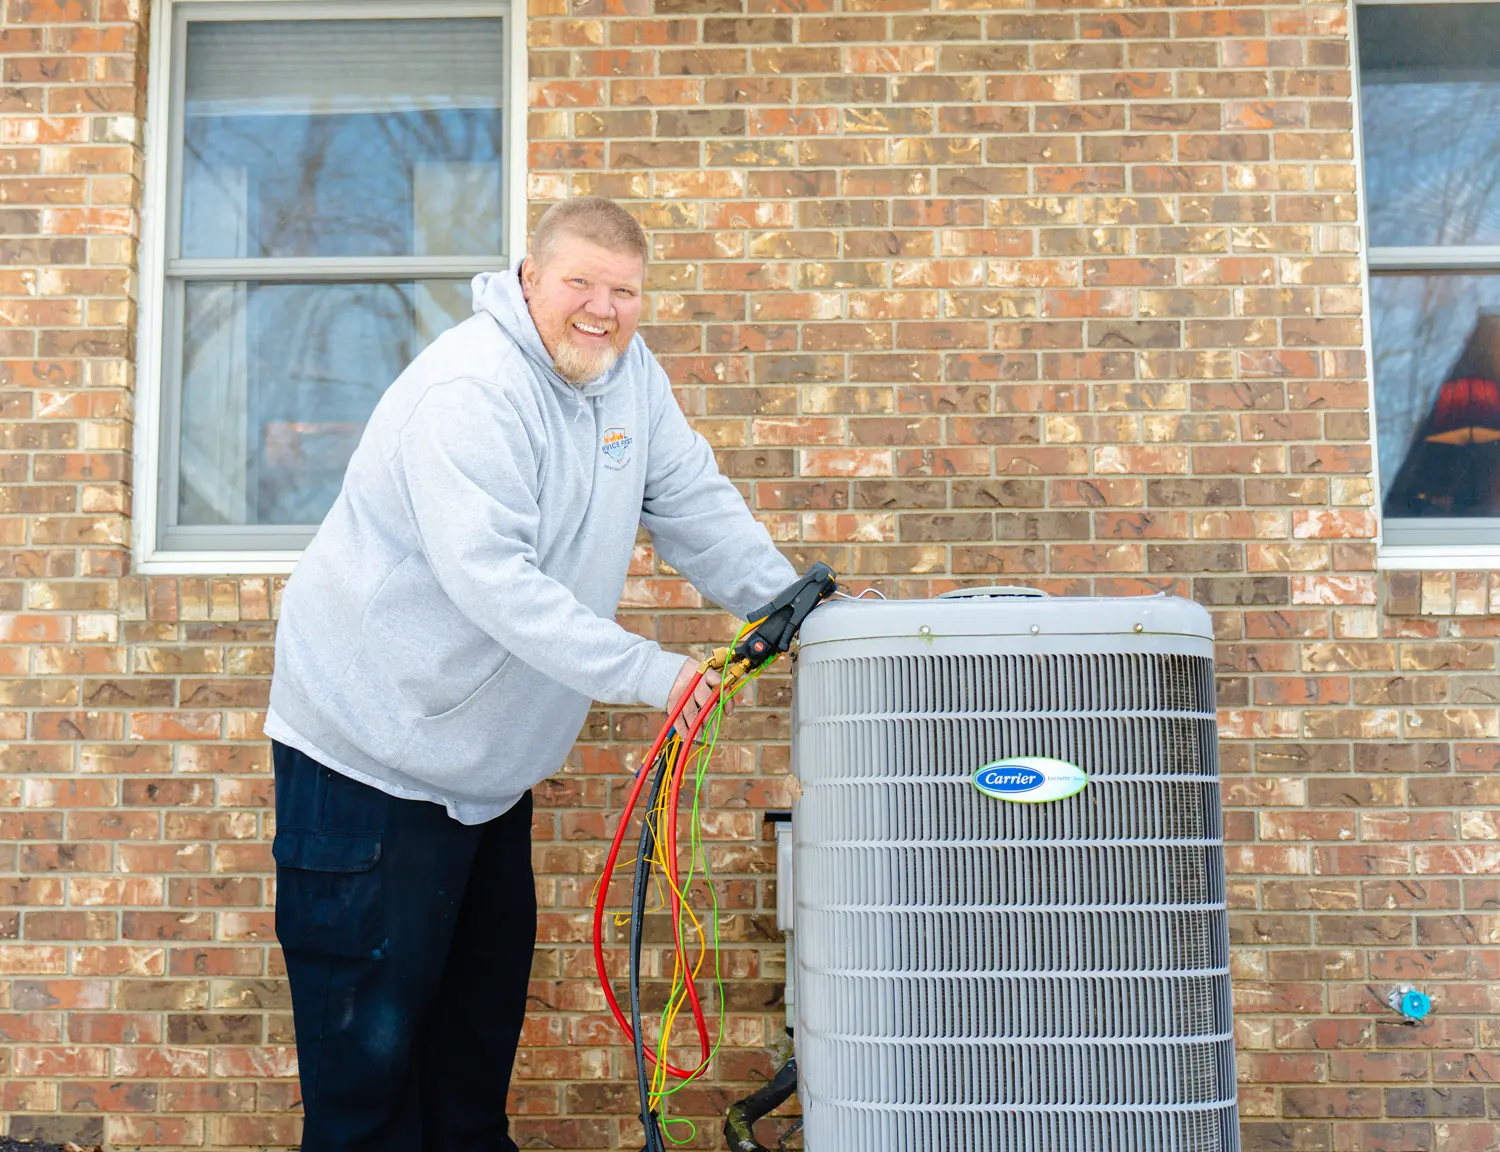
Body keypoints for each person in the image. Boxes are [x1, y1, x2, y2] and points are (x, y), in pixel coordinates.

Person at [264, 196, 799, 1152]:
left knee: (470, 1078)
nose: (602, 308)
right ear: (528, 278)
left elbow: (694, 507)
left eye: (624, 290)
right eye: (579, 283)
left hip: (484, 778)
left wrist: (801, 608)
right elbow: (493, 582)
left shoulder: (631, 380)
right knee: (369, 1092)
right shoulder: (470, 391)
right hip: (369, 762)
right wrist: (653, 672)